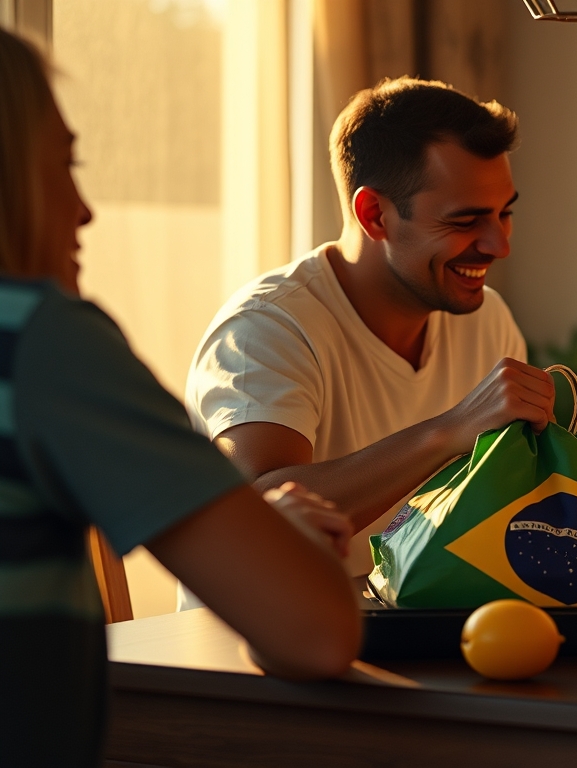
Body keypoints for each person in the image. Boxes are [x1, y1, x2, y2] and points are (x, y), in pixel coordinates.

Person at [0, 29, 361, 765]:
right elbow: (312, 635)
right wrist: (280, 542)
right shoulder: (40, 344)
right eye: (64, 164)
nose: (83, 210)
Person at [184, 77, 556, 592]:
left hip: (420, 641)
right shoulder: (265, 330)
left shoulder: (489, 321)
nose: (499, 244)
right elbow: (261, 511)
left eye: (505, 214)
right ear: (373, 214)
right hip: (258, 652)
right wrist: (449, 430)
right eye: (466, 220)